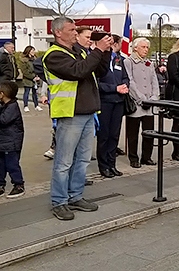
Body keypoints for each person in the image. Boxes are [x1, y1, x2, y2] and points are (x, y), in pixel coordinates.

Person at [43, 16, 112, 220]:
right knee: (64, 162)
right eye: (71, 29)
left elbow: (99, 71)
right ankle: (59, 201)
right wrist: (98, 49)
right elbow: (79, 71)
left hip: (87, 112)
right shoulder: (54, 55)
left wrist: (105, 52)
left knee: (82, 160)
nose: (75, 32)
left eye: (75, 29)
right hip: (70, 114)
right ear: (58, 32)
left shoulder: (79, 51)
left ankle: (75, 196)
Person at [96, 35, 129, 178]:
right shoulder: (99, 60)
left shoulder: (119, 59)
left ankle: (112, 164)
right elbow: (97, 83)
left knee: (114, 135)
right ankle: (103, 166)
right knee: (104, 135)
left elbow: (126, 77)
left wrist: (125, 86)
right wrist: (114, 88)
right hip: (105, 101)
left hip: (118, 102)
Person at [124, 38, 160, 168]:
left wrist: (154, 97)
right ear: (135, 48)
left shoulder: (149, 63)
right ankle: (133, 158)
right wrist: (141, 98)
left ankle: (147, 157)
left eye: (147, 47)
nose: (146, 50)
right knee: (133, 134)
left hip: (149, 104)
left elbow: (154, 81)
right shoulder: (128, 62)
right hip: (136, 104)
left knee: (149, 132)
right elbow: (130, 82)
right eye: (143, 47)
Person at [0, 81, 25, 199]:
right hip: (3, 142)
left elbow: (3, 120)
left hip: (11, 143)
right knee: (0, 165)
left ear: (2, 94)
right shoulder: (6, 106)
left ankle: (18, 185)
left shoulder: (12, 107)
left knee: (12, 165)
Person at [18, 46, 43, 112]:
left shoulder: (35, 59)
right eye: (32, 51)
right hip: (28, 79)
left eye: (34, 51)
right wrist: (32, 77)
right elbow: (25, 71)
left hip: (35, 78)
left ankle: (36, 105)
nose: (33, 52)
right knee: (27, 92)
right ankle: (25, 106)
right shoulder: (23, 60)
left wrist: (37, 76)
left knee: (35, 92)